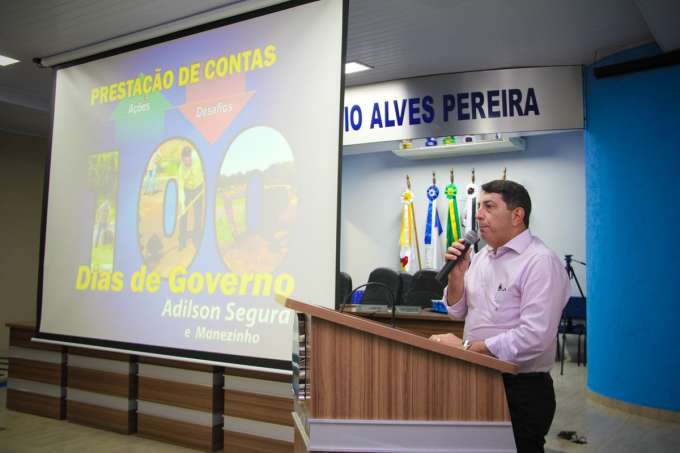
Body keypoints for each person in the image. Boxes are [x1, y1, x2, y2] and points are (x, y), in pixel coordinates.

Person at [430, 179, 570, 453]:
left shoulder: (540, 261)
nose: (479, 215)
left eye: (489, 207)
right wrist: (456, 277)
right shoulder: (482, 257)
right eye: (479, 207)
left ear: (517, 215)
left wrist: (466, 348)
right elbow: (457, 312)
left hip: (520, 388)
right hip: (477, 377)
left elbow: (535, 337)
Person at [178, 147, 204, 250]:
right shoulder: (181, 169)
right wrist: (182, 203)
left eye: (188, 160)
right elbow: (180, 187)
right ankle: (182, 241)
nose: (187, 162)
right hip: (187, 190)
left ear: (191, 157)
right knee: (183, 215)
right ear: (182, 159)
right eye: (184, 160)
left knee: (198, 215)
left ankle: (197, 239)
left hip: (198, 188)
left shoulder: (198, 161)